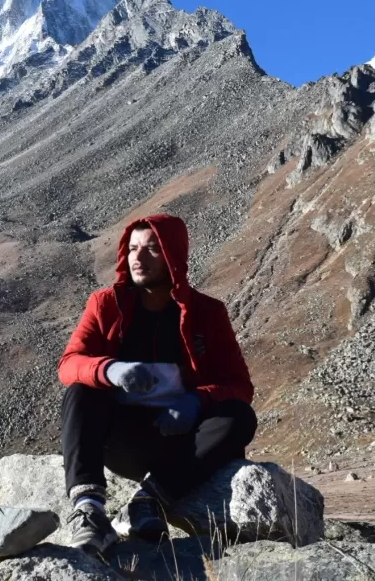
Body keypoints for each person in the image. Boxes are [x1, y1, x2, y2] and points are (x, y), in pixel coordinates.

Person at [57, 213, 257, 555]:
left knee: (239, 416)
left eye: (152, 249)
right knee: (80, 391)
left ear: (173, 257)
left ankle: (147, 501)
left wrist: (198, 400)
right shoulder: (105, 306)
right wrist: (110, 370)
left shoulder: (208, 313)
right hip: (123, 441)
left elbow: (239, 386)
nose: (138, 257)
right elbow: (69, 364)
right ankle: (89, 510)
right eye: (133, 248)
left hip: (182, 444)